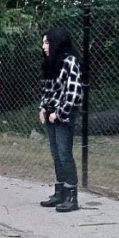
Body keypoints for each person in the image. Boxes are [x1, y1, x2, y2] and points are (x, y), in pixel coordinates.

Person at [38, 28, 84, 212]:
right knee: (56, 154)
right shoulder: (52, 63)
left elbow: (74, 93)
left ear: (56, 42)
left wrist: (59, 113)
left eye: (47, 42)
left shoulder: (70, 62)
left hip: (62, 116)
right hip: (50, 114)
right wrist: (42, 107)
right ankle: (59, 193)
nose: (44, 46)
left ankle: (72, 197)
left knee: (65, 155)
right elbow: (48, 90)